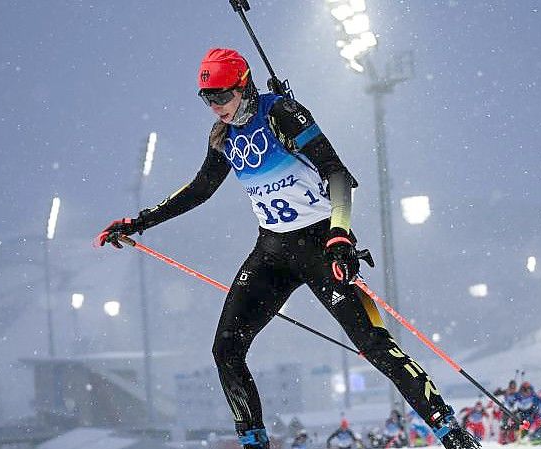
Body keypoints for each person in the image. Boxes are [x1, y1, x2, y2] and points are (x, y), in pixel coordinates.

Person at [96, 47, 479, 449]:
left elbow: (338, 174)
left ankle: (450, 432)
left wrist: (340, 235)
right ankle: (254, 443)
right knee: (226, 349)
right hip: (273, 252)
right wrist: (138, 222)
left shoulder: (281, 113)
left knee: (373, 345)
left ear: (244, 87)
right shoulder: (222, 136)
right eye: (207, 99)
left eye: (222, 96)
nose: (216, 108)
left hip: (321, 245)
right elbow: (200, 190)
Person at [492, 380, 518, 444]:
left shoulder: (517, 393)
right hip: (506, 411)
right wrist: (499, 391)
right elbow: (495, 394)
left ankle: (513, 439)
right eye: (511, 387)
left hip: (514, 411)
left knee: (514, 425)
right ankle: (502, 439)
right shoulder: (506, 392)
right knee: (504, 425)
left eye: (514, 387)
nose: (512, 389)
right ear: (509, 387)